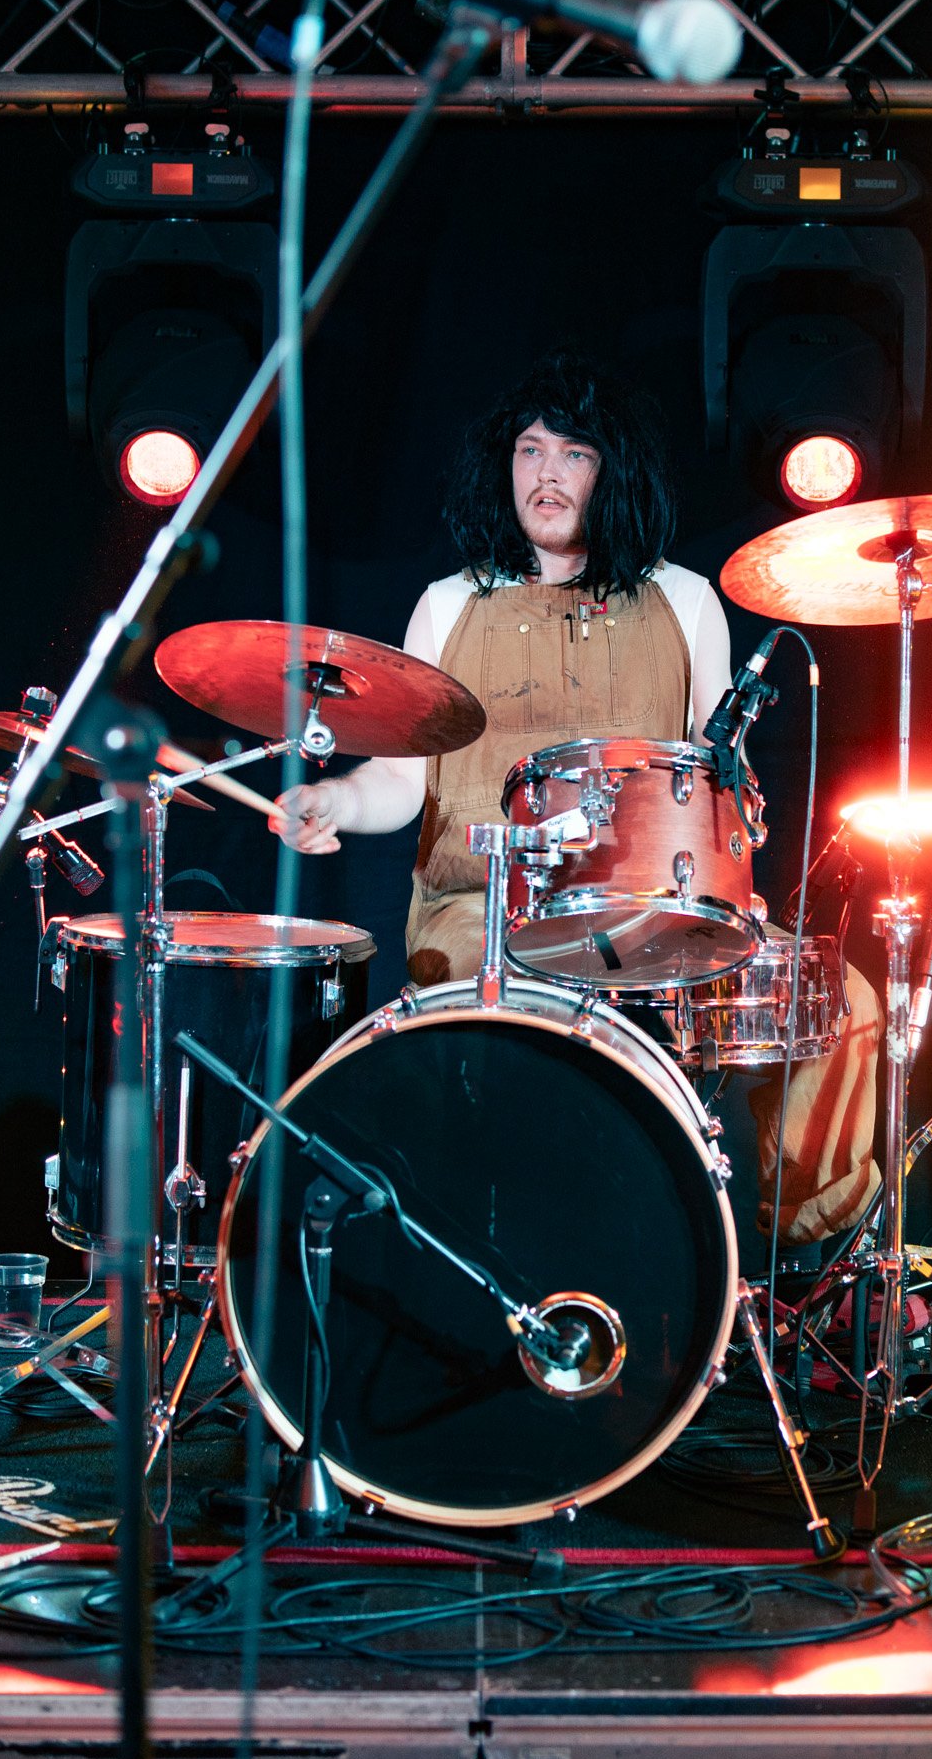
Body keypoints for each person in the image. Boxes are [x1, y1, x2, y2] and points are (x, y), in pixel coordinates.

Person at [271, 352, 879, 1259]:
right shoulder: (448, 606)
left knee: (845, 1002)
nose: (545, 473)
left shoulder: (684, 601)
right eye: (528, 449)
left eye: (573, 453)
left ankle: (810, 1255)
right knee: (529, 1010)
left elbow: (717, 777)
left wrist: (735, 849)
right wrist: (331, 799)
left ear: (613, 471)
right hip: (483, 912)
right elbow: (400, 785)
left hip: (653, 913)